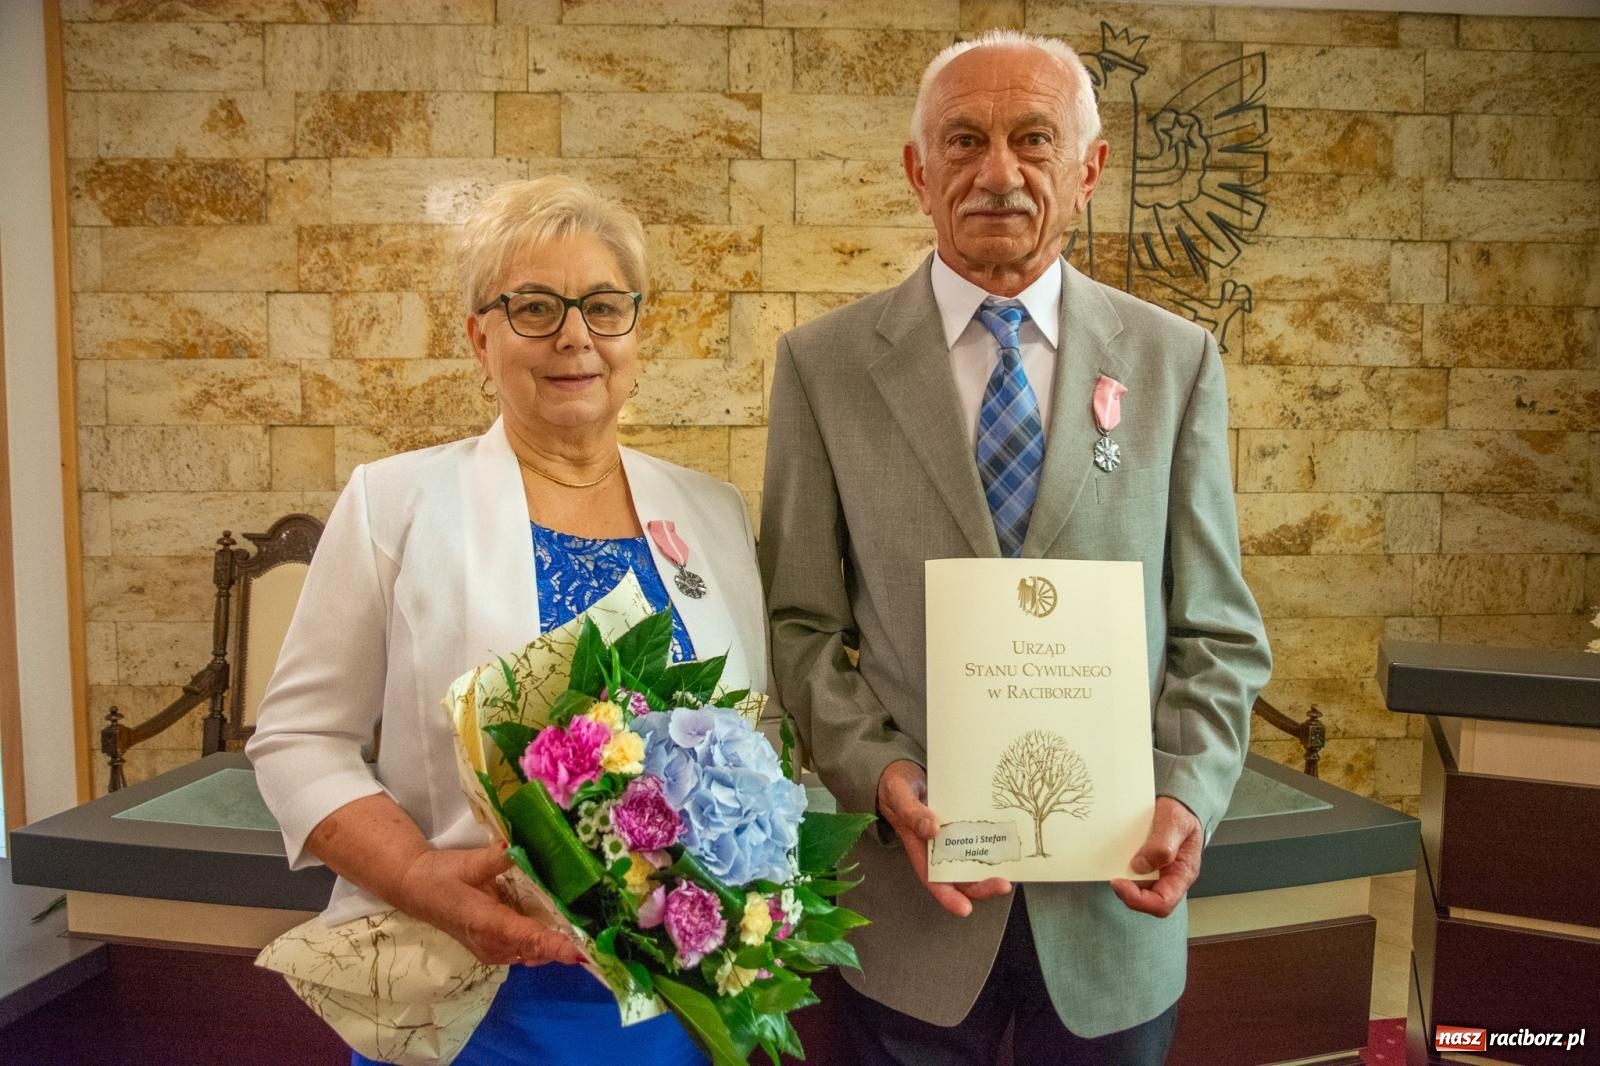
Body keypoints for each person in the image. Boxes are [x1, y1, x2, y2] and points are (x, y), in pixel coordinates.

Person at [758, 29, 1272, 1066]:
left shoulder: (1175, 364)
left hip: (1112, 914)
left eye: (1033, 139)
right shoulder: (822, 366)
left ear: (1088, 169)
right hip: (911, 914)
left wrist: (1187, 789)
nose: (998, 173)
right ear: (916, 170)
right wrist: (877, 774)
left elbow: (1216, 627)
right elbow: (800, 625)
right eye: (963, 141)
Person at [247, 175, 768, 1065]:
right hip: (464, 993)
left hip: (671, 1010)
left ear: (636, 329)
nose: (574, 336)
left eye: (604, 306)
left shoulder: (712, 514)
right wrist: (417, 878)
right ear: (478, 336)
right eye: (534, 307)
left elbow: (762, 735)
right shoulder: (394, 502)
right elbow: (298, 738)